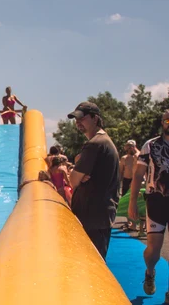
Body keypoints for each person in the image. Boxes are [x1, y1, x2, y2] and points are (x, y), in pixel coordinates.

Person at [67, 102, 120, 260]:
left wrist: (75, 172)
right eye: (76, 119)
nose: (78, 122)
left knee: (89, 265)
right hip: (98, 216)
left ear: (95, 118)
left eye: (82, 118)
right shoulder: (103, 142)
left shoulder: (94, 144)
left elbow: (73, 181)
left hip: (92, 217)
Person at [128, 110, 169, 297]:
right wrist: (132, 202)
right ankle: (150, 272)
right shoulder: (150, 146)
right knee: (153, 250)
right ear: (162, 122)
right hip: (156, 200)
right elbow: (137, 175)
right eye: (168, 120)